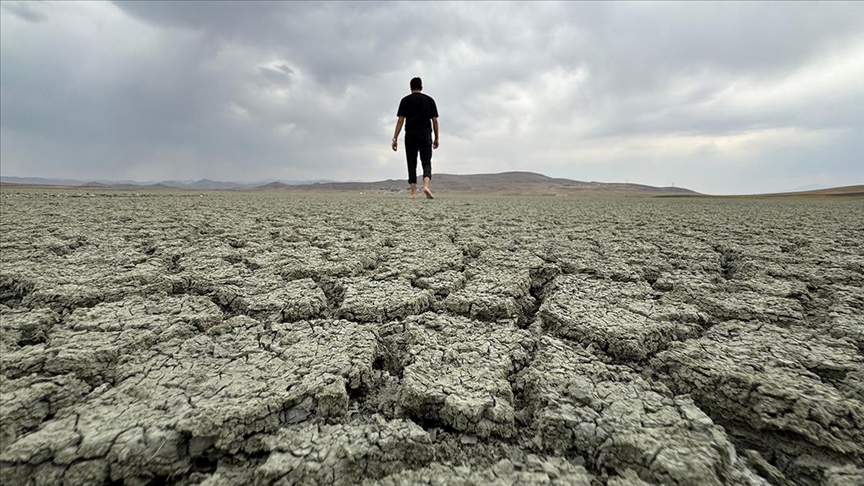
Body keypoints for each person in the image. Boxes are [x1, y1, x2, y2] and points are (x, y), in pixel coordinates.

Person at [392, 77, 439, 199]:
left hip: (411, 134)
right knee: (426, 162)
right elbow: (434, 121)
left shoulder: (405, 100)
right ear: (421, 87)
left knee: (411, 162)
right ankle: (426, 186)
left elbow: (400, 120)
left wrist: (395, 138)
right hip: (425, 134)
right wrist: (436, 138)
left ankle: (413, 193)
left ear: (410, 88)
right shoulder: (429, 100)